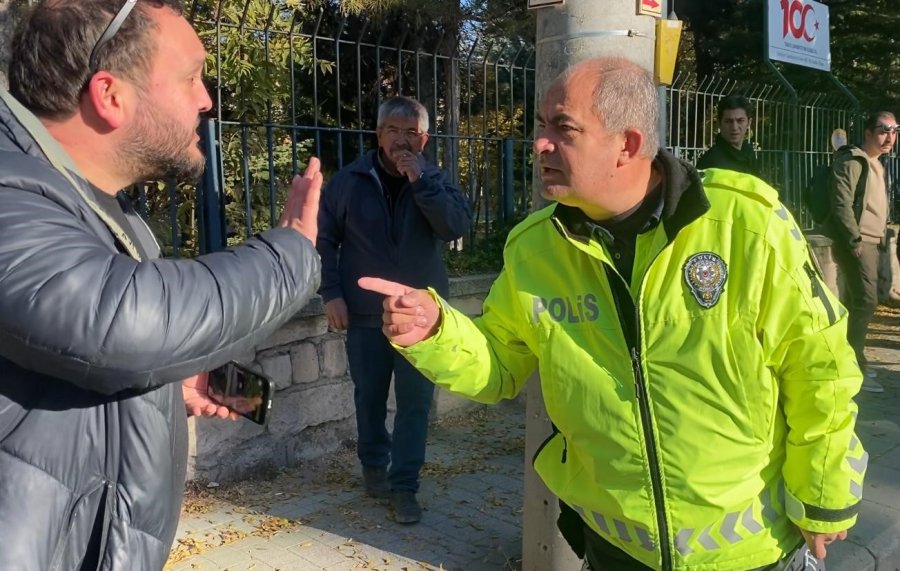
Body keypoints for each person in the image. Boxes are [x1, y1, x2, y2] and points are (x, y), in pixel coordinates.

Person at [360, 58, 866, 570]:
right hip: (615, 550)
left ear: (626, 144)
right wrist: (438, 330)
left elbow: (818, 365)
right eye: (541, 126)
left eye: (564, 128)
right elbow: (498, 364)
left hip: (754, 553)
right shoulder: (535, 249)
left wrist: (824, 498)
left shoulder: (746, 225)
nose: (540, 144)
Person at [0, 1, 322, 569]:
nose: (206, 99)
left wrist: (157, 390)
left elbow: (68, 356)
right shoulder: (9, 193)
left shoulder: (97, 207)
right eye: (190, 76)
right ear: (111, 96)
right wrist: (291, 252)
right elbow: (116, 323)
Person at [316, 96, 471, 524]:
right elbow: (325, 240)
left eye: (411, 133)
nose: (402, 141)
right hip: (365, 314)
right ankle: (372, 469)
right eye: (394, 131)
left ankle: (405, 487)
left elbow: (456, 226)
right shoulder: (349, 181)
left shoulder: (436, 179)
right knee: (368, 398)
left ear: (425, 139)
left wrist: (422, 183)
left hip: (420, 319)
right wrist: (332, 294)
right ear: (379, 134)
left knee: (415, 405)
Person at [825, 112, 897, 393]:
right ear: (868, 133)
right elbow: (841, 201)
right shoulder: (854, 160)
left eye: (894, 130)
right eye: (883, 130)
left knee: (855, 302)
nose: (889, 136)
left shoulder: (879, 163)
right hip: (858, 243)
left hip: (874, 241)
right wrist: (853, 240)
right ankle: (854, 367)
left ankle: (847, 361)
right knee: (865, 302)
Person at [696, 95, 763, 179]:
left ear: (749, 122)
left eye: (740, 121)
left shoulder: (749, 153)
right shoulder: (709, 162)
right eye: (728, 121)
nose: (734, 127)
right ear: (719, 123)